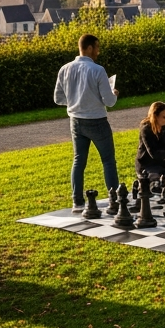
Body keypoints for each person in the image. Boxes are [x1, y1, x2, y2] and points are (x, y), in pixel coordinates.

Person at [53, 33, 119, 212]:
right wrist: (113, 94)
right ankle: (114, 200)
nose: (98, 51)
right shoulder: (98, 70)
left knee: (79, 161)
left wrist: (75, 100)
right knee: (108, 160)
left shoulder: (64, 69)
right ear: (89, 48)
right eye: (97, 47)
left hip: (75, 121)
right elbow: (109, 102)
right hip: (97, 120)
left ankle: (77, 201)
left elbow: (58, 99)